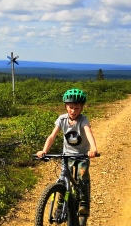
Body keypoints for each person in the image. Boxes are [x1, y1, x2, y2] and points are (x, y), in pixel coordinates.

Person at [36, 88, 99, 216]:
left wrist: (93, 149)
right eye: (70, 107)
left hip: (82, 154)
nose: (73, 111)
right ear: (65, 106)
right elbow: (52, 136)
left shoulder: (83, 120)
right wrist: (44, 150)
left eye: (77, 108)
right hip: (67, 155)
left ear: (82, 108)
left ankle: (84, 203)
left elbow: (88, 133)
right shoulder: (62, 119)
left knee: (82, 176)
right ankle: (60, 205)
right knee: (62, 180)